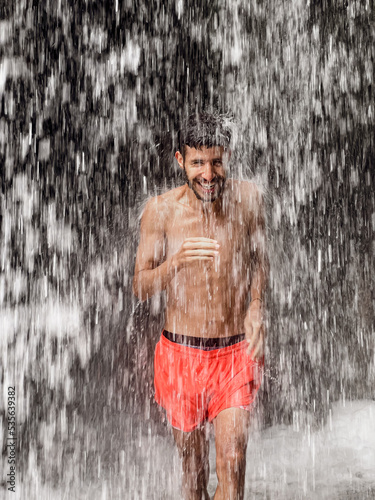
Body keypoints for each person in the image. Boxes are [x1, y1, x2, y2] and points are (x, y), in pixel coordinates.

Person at [133, 112, 268, 500]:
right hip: (180, 357)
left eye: (216, 162)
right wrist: (173, 264)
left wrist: (256, 306)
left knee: (232, 458)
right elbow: (139, 285)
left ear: (227, 157)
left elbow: (259, 260)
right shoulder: (160, 211)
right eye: (197, 163)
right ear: (180, 160)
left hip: (234, 355)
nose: (208, 175)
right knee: (193, 475)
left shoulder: (249, 200)